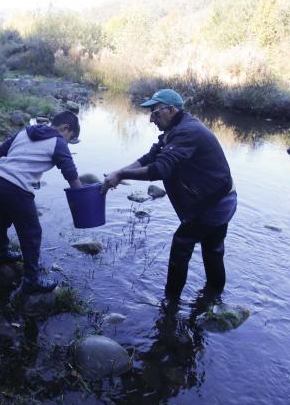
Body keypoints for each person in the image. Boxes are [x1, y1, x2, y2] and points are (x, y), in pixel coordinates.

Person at [102, 89, 237, 301]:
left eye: (155, 113)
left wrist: (121, 174)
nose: (151, 119)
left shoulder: (187, 132)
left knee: (182, 245)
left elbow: (160, 169)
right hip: (221, 198)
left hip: (214, 205)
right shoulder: (175, 130)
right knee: (213, 250)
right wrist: (119, 173)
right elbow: (150, 157)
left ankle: (170, 304)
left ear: (171, 110)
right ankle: (213, 297)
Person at [0, 111, 82, 294]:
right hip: (17, 187)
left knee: (0, 219)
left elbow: (0, 151)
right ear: (65, 128)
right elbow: (70, 173)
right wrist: (81, 194)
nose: (67, 143)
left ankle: (0, 252)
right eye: (70, 138)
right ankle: (31, 280)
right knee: (32, 232)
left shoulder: (26, 131)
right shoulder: (58, 142)